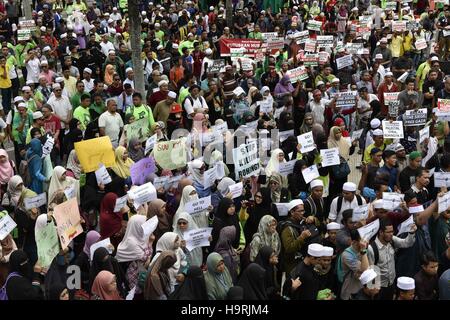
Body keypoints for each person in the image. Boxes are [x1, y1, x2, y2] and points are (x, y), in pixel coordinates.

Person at [367, 218, 417, 300]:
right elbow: (370, 271)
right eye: (388, 232)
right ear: (381, 232)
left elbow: (407, 243)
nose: (391, 234)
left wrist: (411, 233)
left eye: (392, 231)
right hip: (379, 288)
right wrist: (372, 291)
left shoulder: (392, 240)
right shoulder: (371, 248)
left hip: (391, 285)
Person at [339, 229, 369, 300]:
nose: (366, 242)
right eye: (362, 240)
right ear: (355, 242)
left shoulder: (365, 248)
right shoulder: (347, 255)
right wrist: (363, 250)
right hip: (351, 291)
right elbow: (365, 270)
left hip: (362, 289)